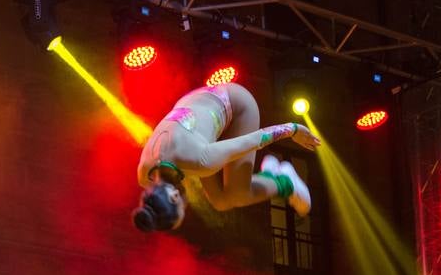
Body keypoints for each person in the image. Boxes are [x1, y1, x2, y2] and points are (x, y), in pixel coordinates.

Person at [133, 82, 321, 233]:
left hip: (237, 105)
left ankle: (285, 181)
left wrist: (293, 129)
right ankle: (270, 175)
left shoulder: (201, 161)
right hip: (196, 103)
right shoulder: (144, 174)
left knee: (237, 195)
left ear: (174, 195)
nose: (187, 204)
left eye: (183, 209)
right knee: (221, 202)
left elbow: (256, 139)